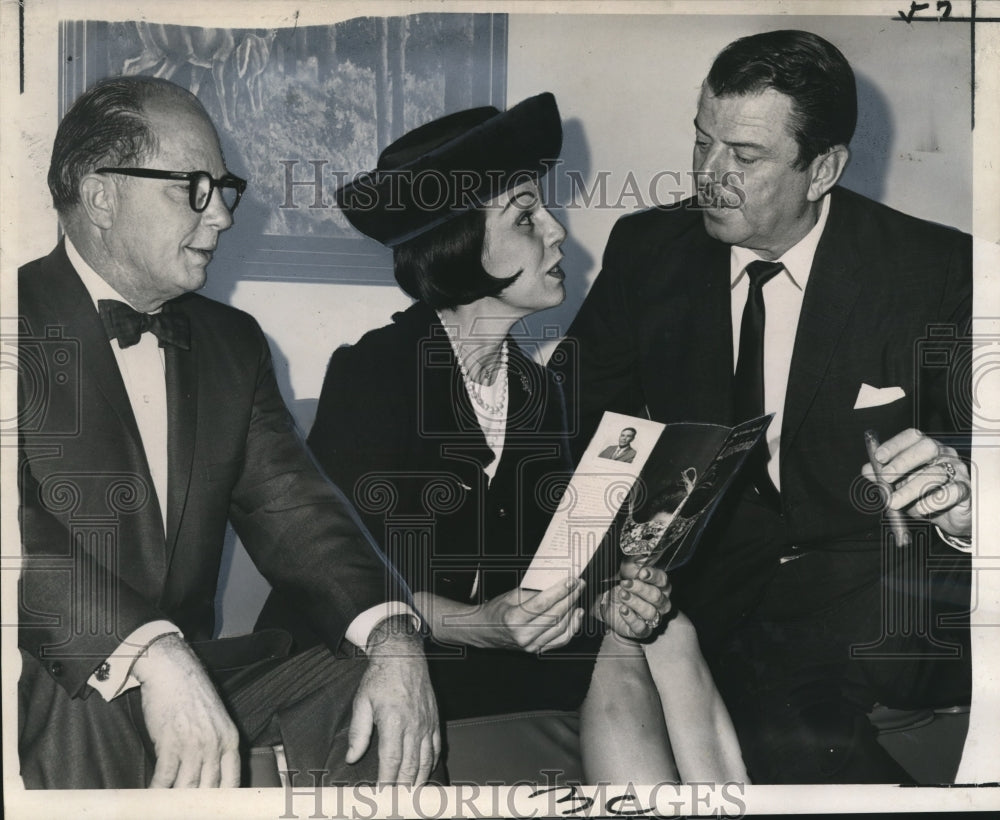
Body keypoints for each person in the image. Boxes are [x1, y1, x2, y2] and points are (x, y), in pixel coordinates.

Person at [259, 93, 746, 783]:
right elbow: (347, 583)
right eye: (526, 216)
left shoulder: (536, 392)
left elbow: (545, 573)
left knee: (665, 632)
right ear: (462, 247)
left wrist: (607, 598)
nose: (557, 234)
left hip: (485, 649)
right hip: (374, 654)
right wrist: (482, 622)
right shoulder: (378, 371)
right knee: (627, 652)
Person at [553, 30, 973, 784]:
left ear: (826, 169)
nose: (709, 178)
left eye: (744, 159)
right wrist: (610, 566)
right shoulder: (650, 250)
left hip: (875, 587)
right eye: (701, 143)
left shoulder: (934, 270)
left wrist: (959, 480)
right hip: (708, 589)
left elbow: (981, 451)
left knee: (787, 732)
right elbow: (568, 423)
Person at [16, 75, 440, 790]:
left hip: (197, 670)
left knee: (368, 683)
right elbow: (16, 540)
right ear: (100, 196)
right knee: (80, 692)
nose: (221, 218)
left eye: (223, 188)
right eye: (192, 188)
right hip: (46, 674)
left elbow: (297, 510)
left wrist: (396, 639)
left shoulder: (231, 344)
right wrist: (147, 650)